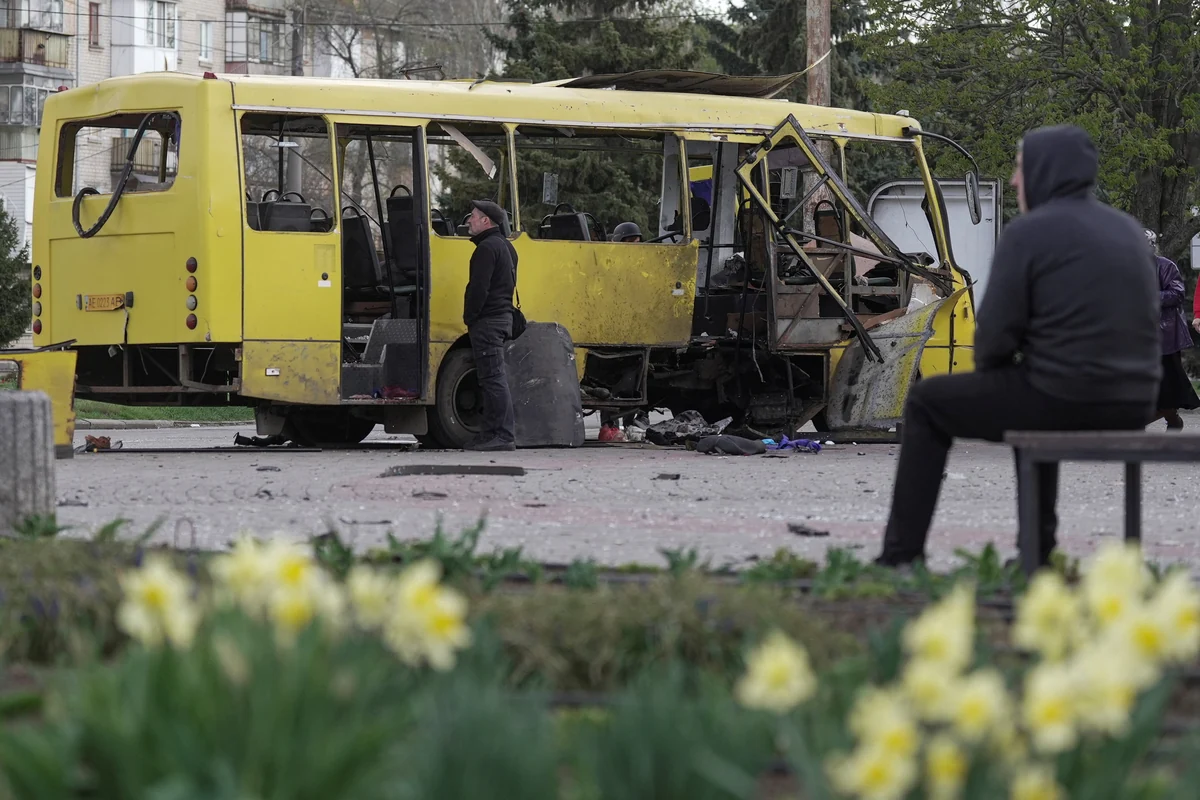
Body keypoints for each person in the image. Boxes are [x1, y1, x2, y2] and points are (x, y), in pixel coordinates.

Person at [874, 125, 1160, 569]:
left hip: (1065, 399)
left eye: (1021, 168)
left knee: (929, 402)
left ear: (1045, 171)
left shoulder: (1029, 232)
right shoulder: (1127, 229)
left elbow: (992, 340)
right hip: (1136, 402)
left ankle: (900, 557)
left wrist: (1004, 364)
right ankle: (1035, 554)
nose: (1013, 181)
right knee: (1030, 391)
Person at [462, 199, 517, 452]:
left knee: (493, 378)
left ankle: (503, 435)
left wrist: (470, 317)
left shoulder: (486, 249)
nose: (469, 220)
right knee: (490, 378)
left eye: (473, 216)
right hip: (502, 317)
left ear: (486, 221)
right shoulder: (506, 247)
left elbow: (479, 289)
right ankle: (490, 433)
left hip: (488, 320)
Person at [1146, 229, 1199, 428]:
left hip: (1164, 337)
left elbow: (1177, 293)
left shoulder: (1165, 265)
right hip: (1135, 335)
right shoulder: (1126, 268)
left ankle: (1172, 420)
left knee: (1168, 386)